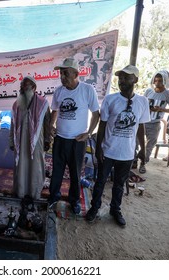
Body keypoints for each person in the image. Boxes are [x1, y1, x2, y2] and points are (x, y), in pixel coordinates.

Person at [85, 65, 150, 226]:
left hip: (127, 153)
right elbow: (102, 125)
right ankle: (94, 208)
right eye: (120, 77)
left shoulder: (142, 101)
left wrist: (143, 148)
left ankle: (115, 210)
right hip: (108, 151)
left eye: (126, 77)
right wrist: (99, 147)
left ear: (135, 79)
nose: (122, 81)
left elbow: (141, 127)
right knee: (100, 182)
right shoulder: (110, 99)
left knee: (120, 185)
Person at [48, 58, 100, 214]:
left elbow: (96, 114)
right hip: (60, 139)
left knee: (76, 173)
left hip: (77, 141)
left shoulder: (87, 90)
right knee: (56, 170)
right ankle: (53, 196)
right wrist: (51, 125)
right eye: (61, 73)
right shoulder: (59, 91)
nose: (62, 77)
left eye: (66, 73)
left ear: (76, 74)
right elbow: (55, 110)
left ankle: (74, 200)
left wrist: (88, 132)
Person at [9, 76, 52, 199]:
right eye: (22, 85)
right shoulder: (16, 104)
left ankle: (34, 193)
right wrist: (12, 141)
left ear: (34, 87)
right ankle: (21, 192)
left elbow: (47, 123)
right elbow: (12, 125)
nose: (23, 87)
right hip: (20, 143)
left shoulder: (43, 103)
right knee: (21, 167)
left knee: (36, 167)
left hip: (37, 141)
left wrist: (47, 140)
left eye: (26, 85)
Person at [139, 70, 169, 173]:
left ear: (164, 81)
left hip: (155, 123)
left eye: (160, 81)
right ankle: (134, 161)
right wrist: (149, 108)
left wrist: (161, 109)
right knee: (136, 142)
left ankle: (143, 163)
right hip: (143, 122)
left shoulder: (167, 94)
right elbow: (142, 105)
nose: (157, 82)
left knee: (149, 146)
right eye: (156, 80)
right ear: (153, 81)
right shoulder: (148, 91)